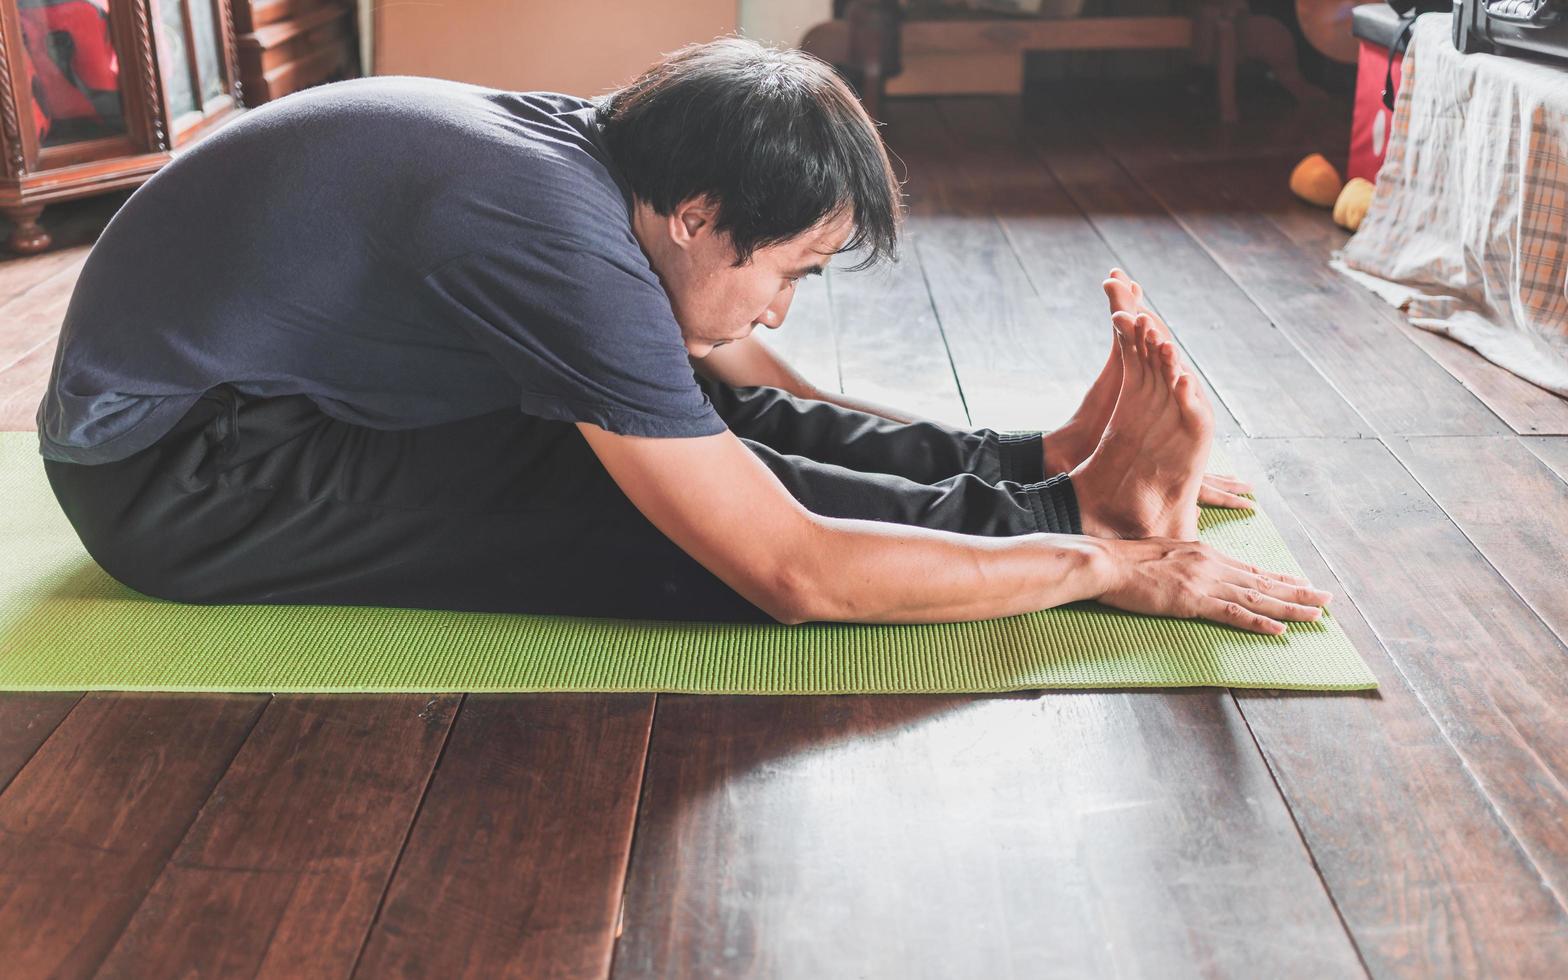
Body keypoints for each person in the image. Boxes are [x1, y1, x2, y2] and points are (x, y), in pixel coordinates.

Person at [36, 38, 1331, 634]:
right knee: (648, 521)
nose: (779, 305)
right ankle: (1086, 515)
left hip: (270, 404)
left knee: (711, 414)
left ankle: (1069, 493)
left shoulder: (610, 165)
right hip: (179, 478)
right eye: (790, 271)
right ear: (704, 216)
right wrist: (1095, 564)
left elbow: (755, 384)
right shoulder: (551, 232)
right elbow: (797, 573)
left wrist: (1033, 456)